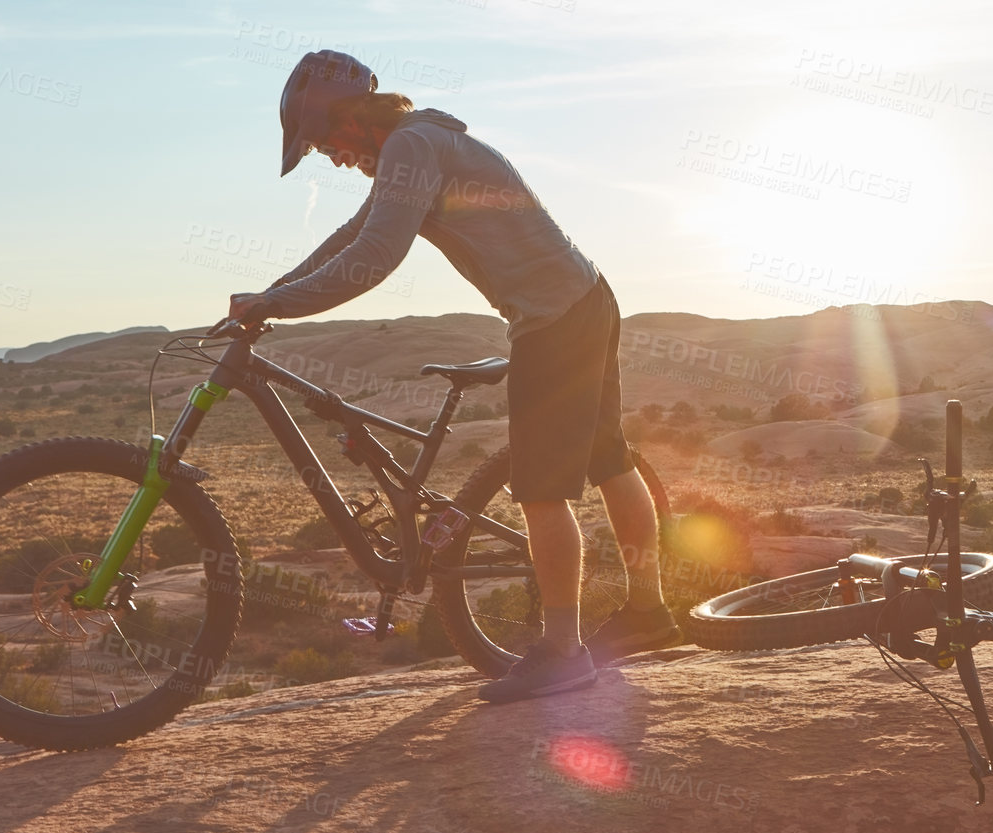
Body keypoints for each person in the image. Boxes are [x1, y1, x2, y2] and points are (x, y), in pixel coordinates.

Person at [231, 49, 682, 703]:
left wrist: (275, 305)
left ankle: (564, 651)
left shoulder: (412, 147)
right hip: (585, 296)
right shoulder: (418, 146)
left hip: (556, 316)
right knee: (609, 459)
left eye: (324, 140)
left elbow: (376, 256)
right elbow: (351, 235)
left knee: (540, 489)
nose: (329, 157)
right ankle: (649, 613)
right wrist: (269, 294)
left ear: (349, 117)